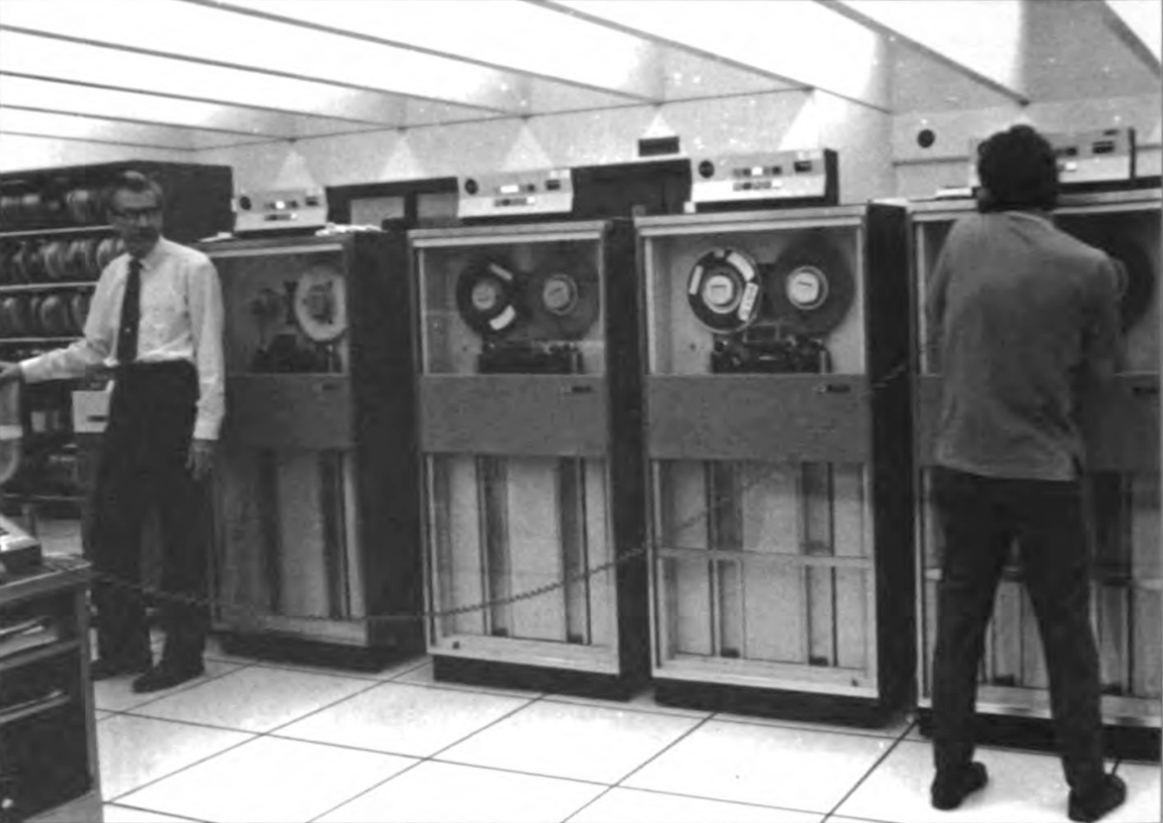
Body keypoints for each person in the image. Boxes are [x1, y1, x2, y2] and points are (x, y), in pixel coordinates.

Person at [924, 124, 1127, 822]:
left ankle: (948, 775)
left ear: (984, 184)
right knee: (1066, 628)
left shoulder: (958, 238)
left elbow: (935, 333)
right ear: (1052, 185)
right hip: (1043, 474)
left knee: (957, 622)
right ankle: (1085, 787)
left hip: (958, 462)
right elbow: (1103, 374)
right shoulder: (1092, 266)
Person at [0, 170, 224, 694]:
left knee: (179, 535)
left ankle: (184, 655)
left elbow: (211, 355)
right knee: (110, 530)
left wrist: (206, 430)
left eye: (149, 211)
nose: (141, 222)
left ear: (160, 213)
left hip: (176, 399)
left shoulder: (195, 266)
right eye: (130, 212)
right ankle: (123, 648)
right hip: (128, 399)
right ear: (113, 219)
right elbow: (92, 351)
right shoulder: (113, 273)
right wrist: (23, 370)